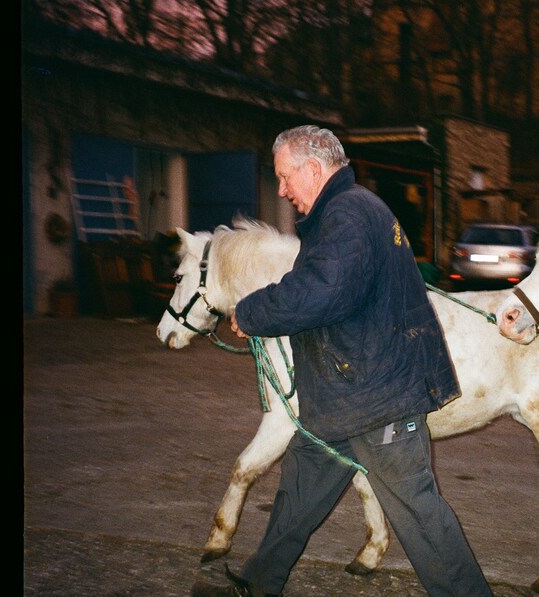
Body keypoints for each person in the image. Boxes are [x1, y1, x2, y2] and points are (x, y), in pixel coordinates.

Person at [191, 125, 492, 597]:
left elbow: (323, 290)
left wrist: (253, 312)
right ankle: (259, 583)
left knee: (418, 513)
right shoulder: (350, 210)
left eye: (285, 177)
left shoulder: (348, 214)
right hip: (343, 396)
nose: (282, 190)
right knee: (299, 492)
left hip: (377, 399)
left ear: (313, 169)